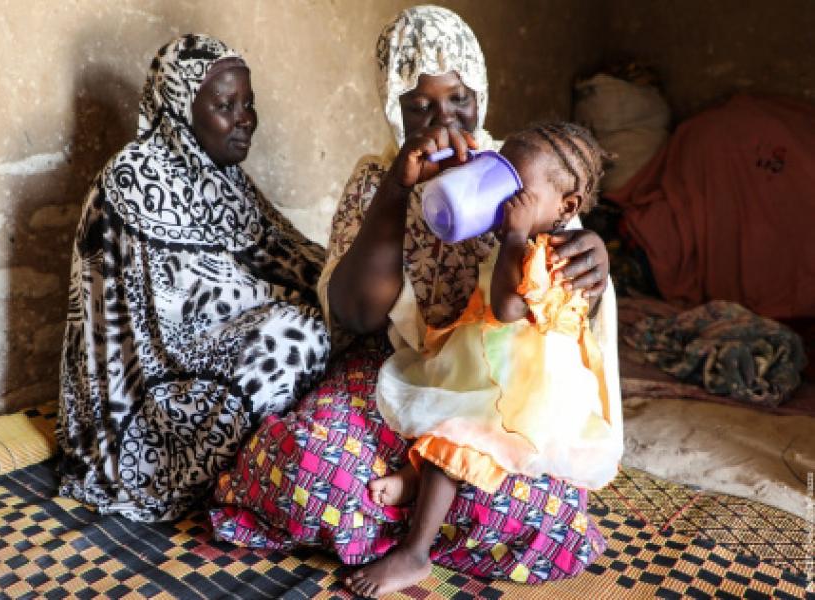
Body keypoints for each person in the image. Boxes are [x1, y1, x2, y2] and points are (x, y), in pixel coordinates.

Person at [210, 5, 621, 591]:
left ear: (480, 92)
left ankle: (404, 516)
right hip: (396, 374)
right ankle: (422, 515)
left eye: (459, 99)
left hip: (493, 388)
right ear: (392, 109)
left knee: (540, 510)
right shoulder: (378, 177)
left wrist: (595, 258)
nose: (443, 119)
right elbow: (356, 314)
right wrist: (395, 192)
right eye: (418, 105)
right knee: (306, 468)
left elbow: (563, 298)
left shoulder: (525, 174)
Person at [56, 34, 330, 522]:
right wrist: (298, 304)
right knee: (295, 338)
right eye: (226, 104)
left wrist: (340, 281)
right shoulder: (134, 177)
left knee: (338, 319)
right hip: (149, 403)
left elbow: (283, 253)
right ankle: (239, 475)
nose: (246, 118)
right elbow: (176, 323)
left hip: (210, 355)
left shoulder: (223, 179)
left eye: (248, 103)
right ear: (181, 107)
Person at [351, 123, 623, 597]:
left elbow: (508, 307)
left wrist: (514, 239)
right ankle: (416, 479)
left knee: (455, 435)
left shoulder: (553, 255)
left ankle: (416, 551)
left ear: (567, 207)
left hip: (524, 393)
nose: (505, 200)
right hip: (490, 363)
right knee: (437, 409)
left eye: (518, 190)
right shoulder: (526, 238)